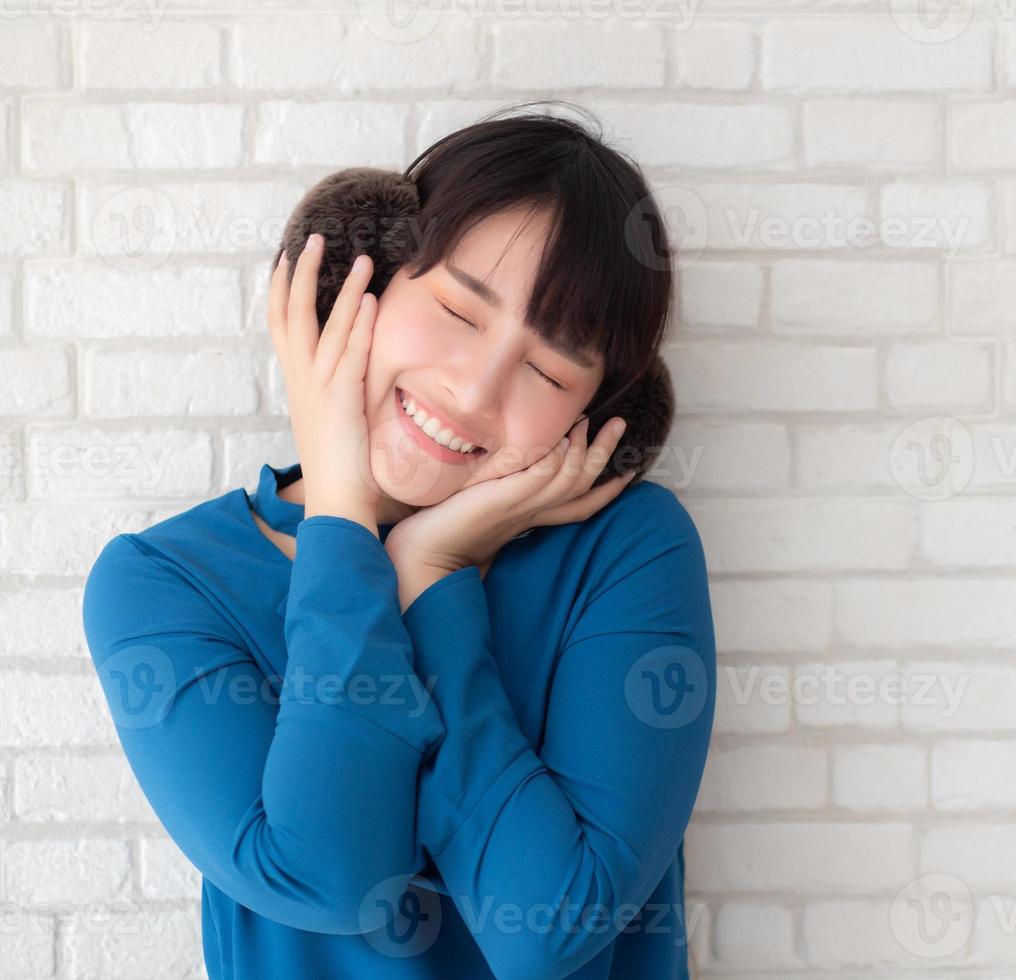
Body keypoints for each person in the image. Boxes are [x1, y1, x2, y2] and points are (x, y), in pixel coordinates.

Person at [81, 102, 716, 979]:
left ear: (599, 416)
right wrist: (344, 511)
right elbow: (331, 880)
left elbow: (549, 933)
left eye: (546, 368)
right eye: (460, 311)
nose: (475, 389)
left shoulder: (629, 553)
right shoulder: (165, 584)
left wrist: (431, 576)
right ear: (360, 281)